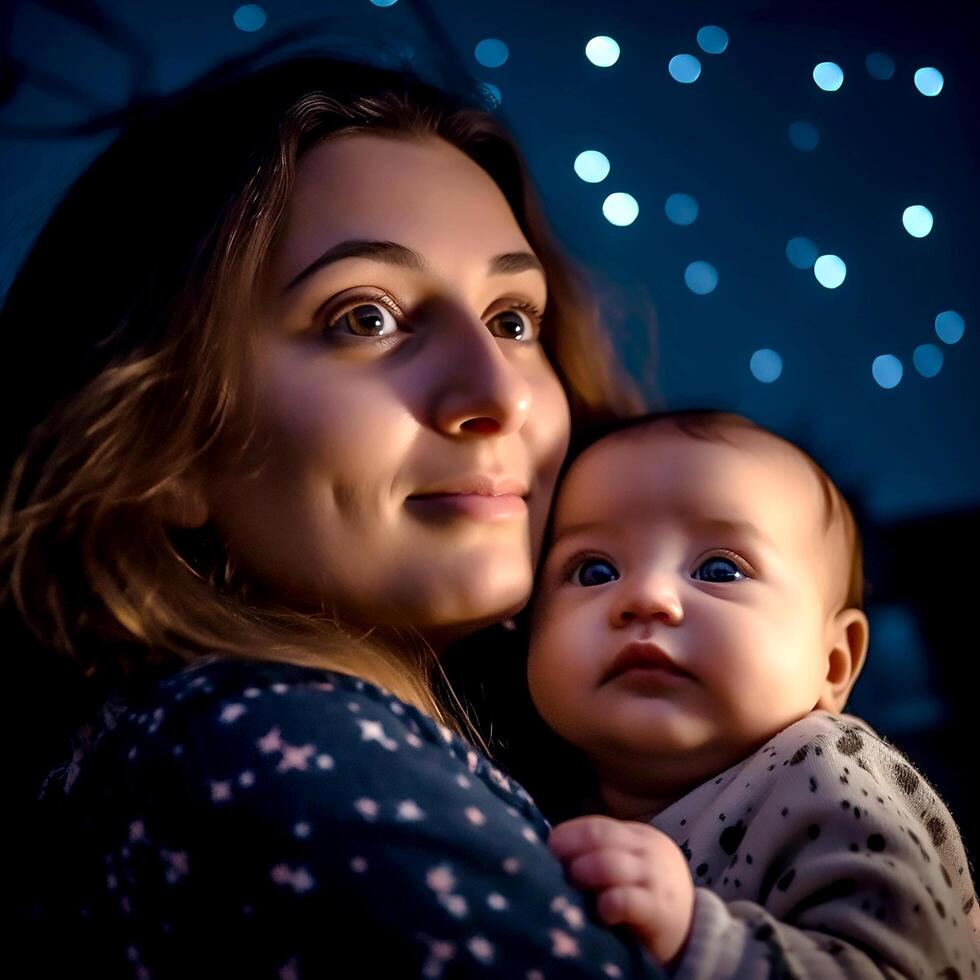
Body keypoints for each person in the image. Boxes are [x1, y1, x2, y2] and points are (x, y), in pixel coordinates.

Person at [0, 52, 669, 977]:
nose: (495, 395)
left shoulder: (180, 751)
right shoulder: (280, 752)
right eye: (366, 317)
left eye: (514, 320)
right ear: (162, 441)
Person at [526, 409, 980, 977]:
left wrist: (697, 935)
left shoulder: (827, 773)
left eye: (720, 569)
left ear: (834, 662)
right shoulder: (538, 802)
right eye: (594, 571)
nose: (646, 598)